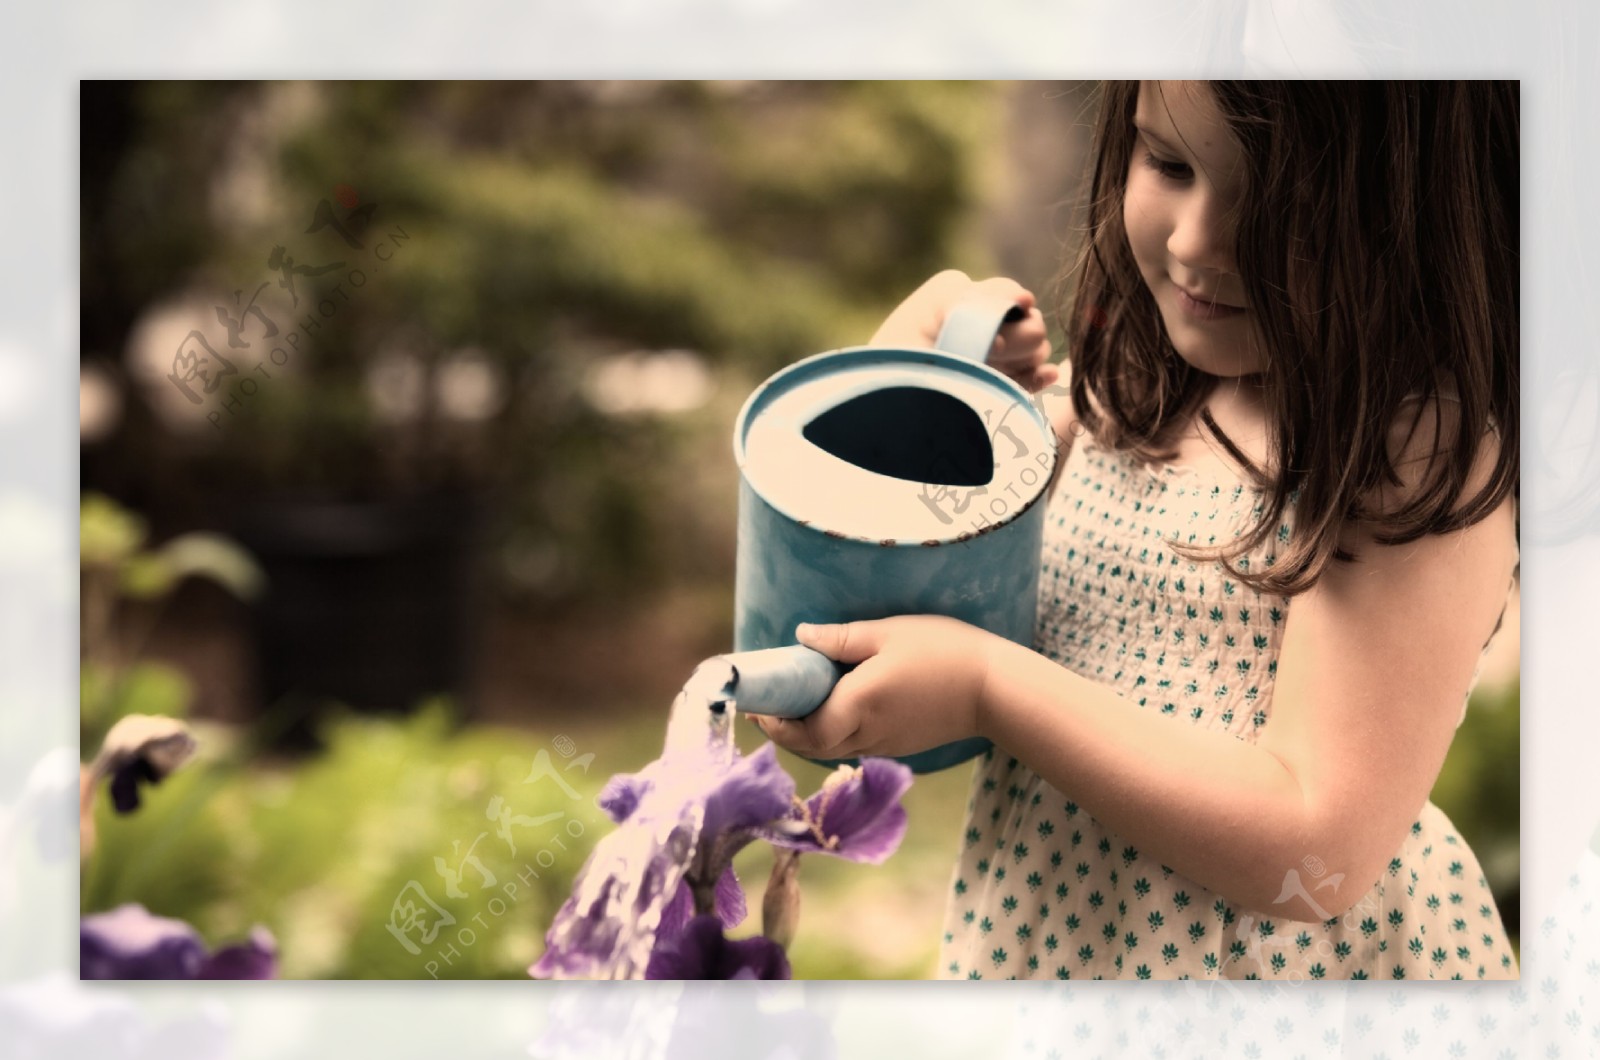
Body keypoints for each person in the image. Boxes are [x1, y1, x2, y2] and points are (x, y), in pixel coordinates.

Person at [750, 80, 1520, 981]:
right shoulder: (1125, 396)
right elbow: (888, 578)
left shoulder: (1412, 450)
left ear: (1422, 208)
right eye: (1169, 163)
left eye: (1281, 201)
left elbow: (1319, 849)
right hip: (1060, 946)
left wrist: (990, 688)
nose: (1195, 240)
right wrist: (916, 392)